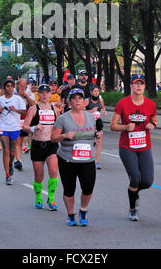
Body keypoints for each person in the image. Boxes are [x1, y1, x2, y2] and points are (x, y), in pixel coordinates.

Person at [110, 74, 157, 222]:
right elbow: (112, 126)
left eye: (141, 84)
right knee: (135, 179)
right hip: (127, 147)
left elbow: (154, 119)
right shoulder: (123, 103)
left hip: (144, 147)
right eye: (135, 83)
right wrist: (124, 127)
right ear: (131, 85)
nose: (138, 86)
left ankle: (134, 192)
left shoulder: (150, 104)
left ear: (144, 86)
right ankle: (132, 209)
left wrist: (153, 125)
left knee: (147, 181)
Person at [51, 88, 101, 227]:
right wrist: (65, 136)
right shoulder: (63, 118)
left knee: (88, 188)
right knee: (69, 189)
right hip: (67, 159)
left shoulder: (90, 117)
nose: (77, 100)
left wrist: (96, 135)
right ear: (69, 101)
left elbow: (94, 132)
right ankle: (71, 214)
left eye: (80, 98)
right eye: (74, 98)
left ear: (84, 101)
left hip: (87, 159)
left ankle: (83, 210)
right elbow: (53, 138)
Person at [23, 84, 59, 210]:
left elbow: (59, 126)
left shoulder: (56, 110)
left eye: (47, 93)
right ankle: (38, 198)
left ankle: (51, 198)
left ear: (50, 94)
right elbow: (25, 126)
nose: (44, 95)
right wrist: (33, 128)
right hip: (38, 144)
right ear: (39, 95)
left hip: (51, 144)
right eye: (42, 93)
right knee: (39, 176)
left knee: (54, 171)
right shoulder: (33, 109)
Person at [0, 79, 27, 184]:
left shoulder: (18, 99)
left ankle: (10, 164)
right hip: (3, 127)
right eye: (7, 86)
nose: (9, 88)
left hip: (14, 127)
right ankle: (7, 175)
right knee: (6, 150)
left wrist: (15, 109)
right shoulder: (0, 99)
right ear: (4, 88)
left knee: (13, 151)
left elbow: (24, 111)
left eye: (11, 86)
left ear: (13, 87)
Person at [14, 79, 36, 171]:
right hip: (15, 119)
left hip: (25, 119)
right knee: (18, 140)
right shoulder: (13, 92)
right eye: (21, 86)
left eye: (25, 86)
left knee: (23, 139)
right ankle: (18, 160)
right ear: (17, 85)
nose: (23, 87)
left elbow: (34, 104)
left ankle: (18, 159)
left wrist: (26, 96)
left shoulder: (29, 93)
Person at [85, 84, 106, 169]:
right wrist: (91, 111)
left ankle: (96, 162)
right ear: (91, 92)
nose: (96, 93)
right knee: (89, 142)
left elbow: (103, 108)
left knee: (99, 142)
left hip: (98, 123)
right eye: (94, 91)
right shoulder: (87, 100)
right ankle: (87, 160)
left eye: (97, 91)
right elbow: (81, 111)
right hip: (89, 123)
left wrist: (104, 111)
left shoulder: (100, 100)